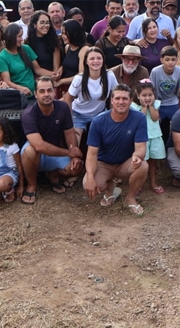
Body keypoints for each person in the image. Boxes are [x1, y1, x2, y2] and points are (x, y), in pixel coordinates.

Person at [84, 84, 148, 215]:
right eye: (117, 98)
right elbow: (91, 153)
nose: (121, 102)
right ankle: (110, 188)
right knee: (88, 185)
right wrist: (90, 176)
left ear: (131, 101)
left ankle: (130, 197)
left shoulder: (139, 118)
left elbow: (141, 147)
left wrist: (137, 156)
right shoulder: (98, 121)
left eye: (125, 99)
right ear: (111, 101)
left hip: (125, 162)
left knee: (143, 165)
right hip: (103, 163)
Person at [20, 76, 84, 204]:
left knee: (77, 168)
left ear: (55, 92)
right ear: (35, 94)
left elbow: (69, 133)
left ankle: (53, 174)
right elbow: (39, 146)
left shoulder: (63, 107)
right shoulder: (28, 114)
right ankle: (32, 185)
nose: (46, 94)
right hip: (37, 153)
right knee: (30, 151)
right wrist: (68, 153)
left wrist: (74, 153)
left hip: (55, 151)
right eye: (42, 91)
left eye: (49, 90)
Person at [64, 47, 118, 144]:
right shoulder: (79, 78)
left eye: (99, 58)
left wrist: (111, 114)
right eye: (92, 59)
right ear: (86, 62)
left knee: (107, 138)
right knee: (75, 141)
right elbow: (67, 99)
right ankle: (75, 158)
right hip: (78, 114)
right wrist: (70, 120)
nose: (96, 61)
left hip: (99, 113)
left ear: (103, 60)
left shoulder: (109, 75)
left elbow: (114, 95)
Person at [133, 81, 166, 194]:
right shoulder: (135, 107)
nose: (147, 98)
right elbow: (140, 119)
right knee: (141, 162)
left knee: (153, 162)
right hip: (142, 139)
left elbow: (155, 118)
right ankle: (139, 184)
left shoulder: (155, 104)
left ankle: (153, 182)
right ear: (138, 95)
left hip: (154, 136)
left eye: (150, 95)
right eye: (144, 95)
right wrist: (143, 107)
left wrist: (150, 106)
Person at [150, 46, 180, 139]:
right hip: (159, 102)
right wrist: (155, 107)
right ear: (161, 60)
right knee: (158, 127)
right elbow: (152, 90)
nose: (170, 62)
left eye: (173, 59)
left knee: (178, 125)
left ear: (177, 60)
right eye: (167, 60)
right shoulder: (155, 71)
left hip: (173, 102)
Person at [0, 25, 42, 97]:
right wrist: (20, 88)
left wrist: (53, 74)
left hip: (34, 93)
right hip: (19, 96)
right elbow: (7, 81)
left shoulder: (26, 48)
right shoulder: (2, 57)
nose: (21, 39)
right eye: (19, 36)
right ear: (11, 37)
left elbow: (38, 69)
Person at [27, 10, 62, 81]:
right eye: (42, 23)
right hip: (35, 79)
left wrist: (54, 75)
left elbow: (56, 67)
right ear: (34, 25)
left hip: (53, 78)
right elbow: (37, 69)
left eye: (47, 23)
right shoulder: (28, 43)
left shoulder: (55, 40)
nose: (46, 25)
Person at [57, 19, 92, 91]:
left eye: (64, 33)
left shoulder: (84, 49)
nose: (62, 36)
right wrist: (61, 69)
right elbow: (68, 63)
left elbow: (81, 75)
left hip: (76, 88)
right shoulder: (67, 47)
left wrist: (61, 81)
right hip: (65, 87)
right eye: (62, 33)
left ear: (74, 33)